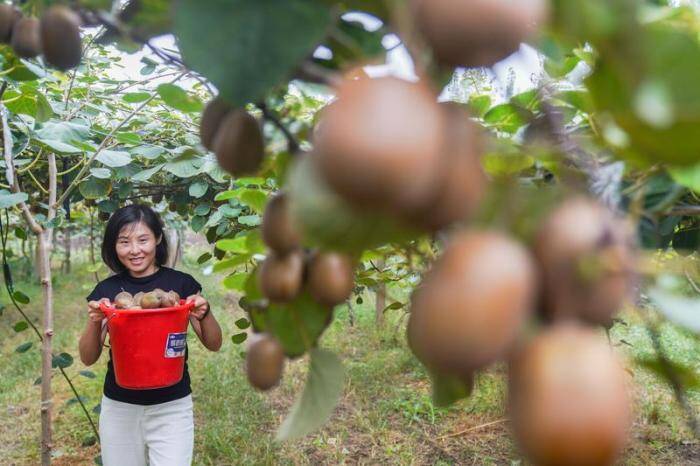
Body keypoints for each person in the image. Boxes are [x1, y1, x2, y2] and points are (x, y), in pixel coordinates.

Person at [78, 204, 222, 466]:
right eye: (124, 242)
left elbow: (213, 344)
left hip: (172, 404)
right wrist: (94, 321)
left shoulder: (181, 285)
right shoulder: (107, 291)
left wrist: (205, 312)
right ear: (114, 246)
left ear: (157, 238)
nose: (134, 250)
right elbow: (88, 358)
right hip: (119, 406)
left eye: (143, 239)